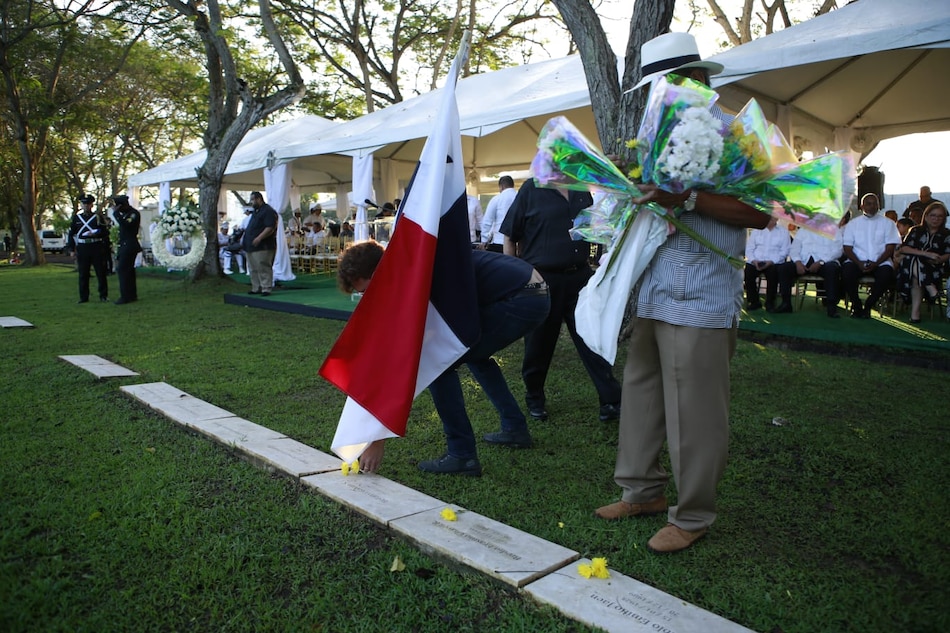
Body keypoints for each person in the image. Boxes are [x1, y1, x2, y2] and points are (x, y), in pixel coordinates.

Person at [593, 32, 771, 554]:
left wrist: (688, 198)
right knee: (643, 387)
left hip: (703, 293)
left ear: (693, 80)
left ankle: (692, 515)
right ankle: (640, 490)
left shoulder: (735, 134)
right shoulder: (654, 137)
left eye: (666, 83)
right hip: (652, 286)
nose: (660, 94)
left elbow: (761, 212)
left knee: (695, 406)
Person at [338, 241, 551, 476]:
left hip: (521, 297)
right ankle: (514, 427)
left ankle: (462, 455)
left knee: (439, 364)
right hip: (531, 291)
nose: (369, 299)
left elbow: (406, 360)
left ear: (380, 272)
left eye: (369, 291)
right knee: (473, 356)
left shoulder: (416, 276)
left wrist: (377, 438)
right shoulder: (411, 267)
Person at [500, 178, 622, 423]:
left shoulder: (580, 189)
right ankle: (535, 397)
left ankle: (611, 400)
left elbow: (591, 232)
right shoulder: (531, 189)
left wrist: (593, 259)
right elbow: (510, 236)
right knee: (538, 342)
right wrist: (517, 275)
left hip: (578, 276)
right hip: (539, 277)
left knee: (590, 337)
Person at [841, 193, 901, 319]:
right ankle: (856, 306)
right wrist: (859, 263)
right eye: (868, 203)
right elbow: (847, 248)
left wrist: (876, 263)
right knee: (847, 272)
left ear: (879, 206)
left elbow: (890, 248)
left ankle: (869, 305)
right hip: (857, 261)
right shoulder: (853, 224)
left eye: (875, 203)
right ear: (862, 206)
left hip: (880, 261)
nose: (872, 206)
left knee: (887, 274)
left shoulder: (888, 223)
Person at [774, 223, 845, 317]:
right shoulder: (803, 229)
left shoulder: (834, 230)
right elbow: (794, 248)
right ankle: (786, 303)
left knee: (832, 269)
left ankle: (831, 306)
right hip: (804, 261)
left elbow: (838, 250)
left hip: (825, 262)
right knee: (784, 268)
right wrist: (798, 262)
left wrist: (821, 262)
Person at [896, 201, 950, 323]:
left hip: (934, 267)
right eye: (933, 215)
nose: (936, 219)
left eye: (939, 216)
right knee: (914, 260)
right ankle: (930, 288)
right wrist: (926, 253)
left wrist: (939, 259)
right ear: (926, 216)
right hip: (913, 268)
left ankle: (915, 314)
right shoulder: (915, 230)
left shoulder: (947, 234)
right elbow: (904, 248)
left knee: (913, 262)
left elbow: (947, 253)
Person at [67, 194, 109, 303]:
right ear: (81, 204)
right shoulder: (77, 218)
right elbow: (71, 234)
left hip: (96, 246)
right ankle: (84, 297)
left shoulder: (98, 217)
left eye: (88, 204)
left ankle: (103, 295)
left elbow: (105, 232)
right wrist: (71, 249)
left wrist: (96, 233)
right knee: (83, 274)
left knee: (101, 273)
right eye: (84, 203)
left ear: (91, 205)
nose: (86, 206)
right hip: (82, 247)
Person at [743, 217, 790, 311]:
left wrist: (771, 261)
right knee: (748, 273)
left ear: (776, 219)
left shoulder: (783, 232)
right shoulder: (757, 230)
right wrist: (753, 260)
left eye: (771, 218)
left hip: (773, 261)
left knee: (773, 274)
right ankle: (754, 301)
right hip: (756, 260)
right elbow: (749, 248)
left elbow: (785, 250)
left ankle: (770, 302)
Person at [242, 191, 279, 296]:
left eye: (253, 199)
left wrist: (259, 237)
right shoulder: (256, 212)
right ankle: (256, 287)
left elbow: (270, 227)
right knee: (253, 268)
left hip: (263, 245)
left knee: (263, 266)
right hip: (251, 245)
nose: (251, 202)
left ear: (259, 199)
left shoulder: (268, 211)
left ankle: (266, 288)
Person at [111, 194, 141, 305]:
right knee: (127, 271)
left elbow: (126, 226)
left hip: (129, 245)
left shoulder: (133, 214)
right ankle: (131, 294)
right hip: (125, 245)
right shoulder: (126, 214)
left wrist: (116, 214)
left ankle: (126, 296)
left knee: (123, 270)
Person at [479, 175, 517, 253]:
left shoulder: (497, 199)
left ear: (501, 186)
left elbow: (487, 221)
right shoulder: (519, 198)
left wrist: (484, 240)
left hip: (499, 242)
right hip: (516, 243)